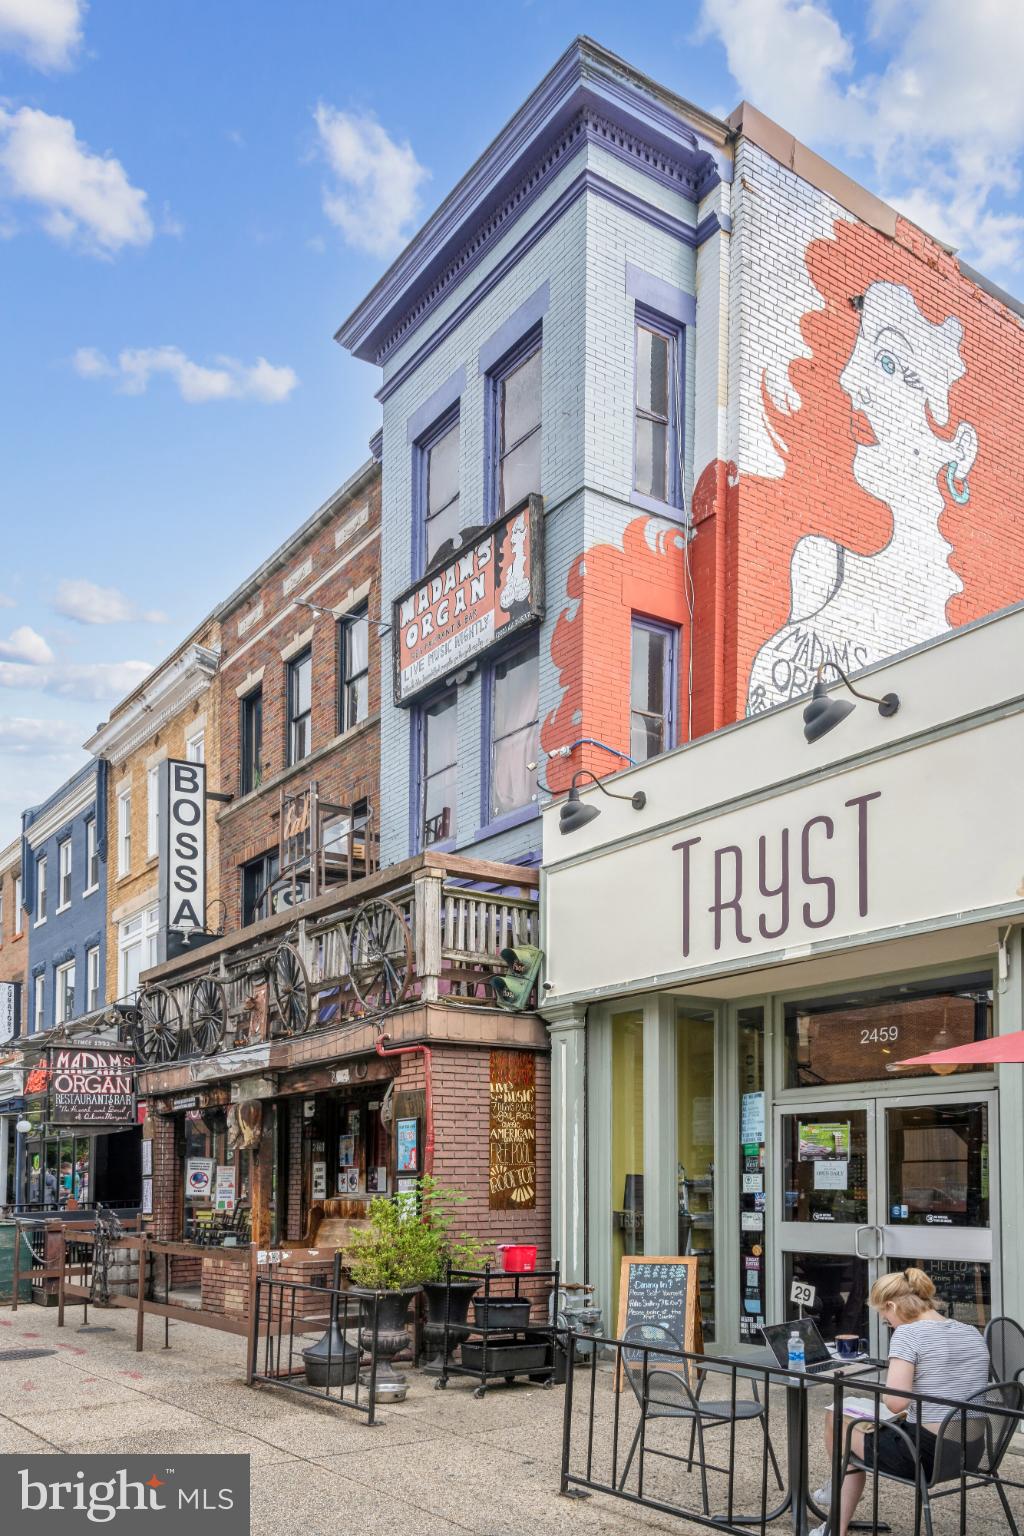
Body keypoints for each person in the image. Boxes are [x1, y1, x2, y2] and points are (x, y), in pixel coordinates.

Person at [810, 1267, 991, 1536]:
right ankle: (835, 1496)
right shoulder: (971, 1332)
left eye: (886, 1318)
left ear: (893, 1305)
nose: (890, 1324)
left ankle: (835, 1517)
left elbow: (896, 1404)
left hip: (923, 1455)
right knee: (851, 1427)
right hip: (972, 1451)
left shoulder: (909, 1335)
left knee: (837, 1421)